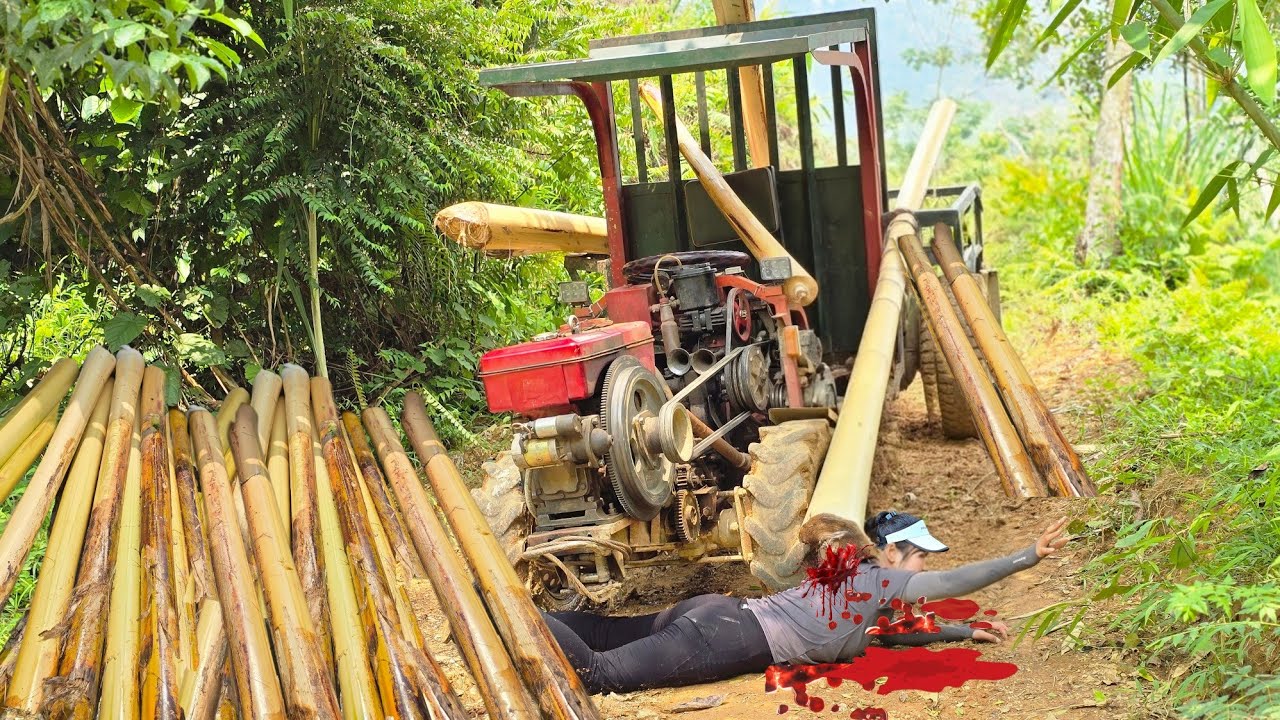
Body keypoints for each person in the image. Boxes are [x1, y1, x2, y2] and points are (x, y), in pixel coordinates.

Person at [541, 511, 1070, 694]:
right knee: (598, 673)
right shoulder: (878, 580)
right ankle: (519, 614)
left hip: (716, 614)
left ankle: (517, 615)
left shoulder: (859, 592)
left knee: (606, 632)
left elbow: (888, 635)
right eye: (917, 557)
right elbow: (954, 583)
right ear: (888, 552)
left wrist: (962, 634)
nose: (923, 569)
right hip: (728, 638)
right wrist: (1028, 556)